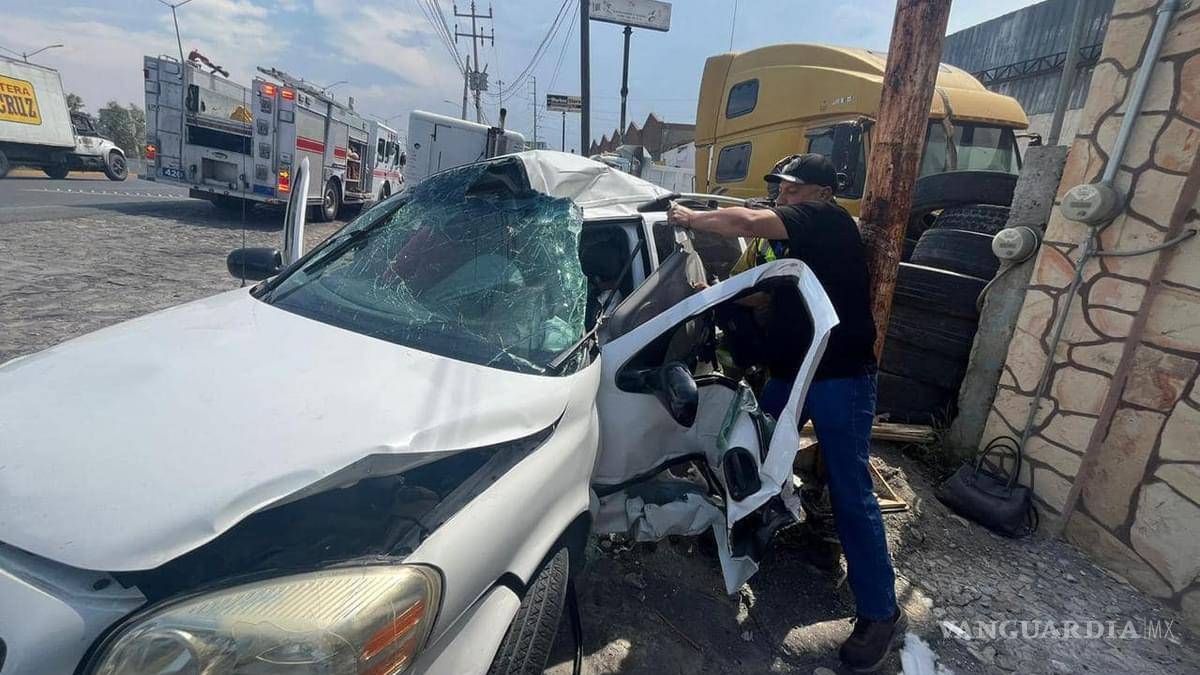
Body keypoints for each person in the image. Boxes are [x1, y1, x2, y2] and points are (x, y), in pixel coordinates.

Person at [666, 154, 904, 673]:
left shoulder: (826, 220)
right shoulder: (798, 241)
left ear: (821, 193)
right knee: (749, 454)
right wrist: (715, 295)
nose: (782, 197)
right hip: (791, 374)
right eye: (780, 188)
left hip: (839, 377)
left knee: (851, 492)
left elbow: (748, 221)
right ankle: (741, 538)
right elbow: (765, 296)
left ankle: (880, 613)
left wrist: (690, 217)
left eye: (793, 189)